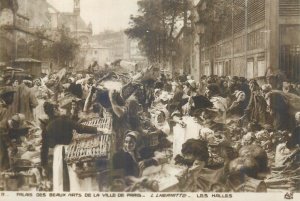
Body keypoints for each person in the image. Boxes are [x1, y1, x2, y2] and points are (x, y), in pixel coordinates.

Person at [40, 101, 101, 191]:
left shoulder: (47, 127)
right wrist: (98, 129)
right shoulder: (64, 121)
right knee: (72, 176)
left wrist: (44, 165)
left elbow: (44, 148)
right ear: (54, 110)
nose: (60, 110)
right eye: (58, 108)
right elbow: (81, 128)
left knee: (60, 176)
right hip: (69, 150)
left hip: (57, 152)